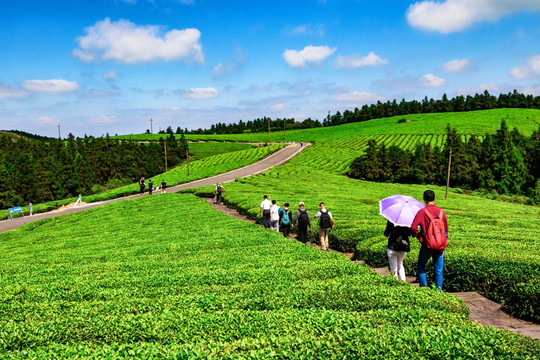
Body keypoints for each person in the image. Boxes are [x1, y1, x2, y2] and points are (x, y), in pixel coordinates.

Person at [411, 190, 449, 290]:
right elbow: (446, 230)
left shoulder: (422, 212)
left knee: (421, 265)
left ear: (423, 199)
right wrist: (444, 241)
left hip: (427, 245)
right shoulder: (442, 212)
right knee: (439, 270)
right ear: (435, 198)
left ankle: (424, 288)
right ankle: (438, 291)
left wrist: (418, 236)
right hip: (440, 245)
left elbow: (413, 227)